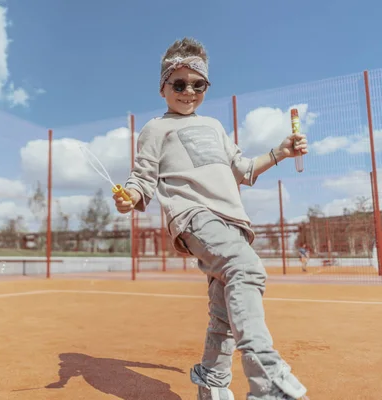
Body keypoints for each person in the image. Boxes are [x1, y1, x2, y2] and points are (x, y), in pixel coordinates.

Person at [113, 37, 310, 400]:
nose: (188, 91)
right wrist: (132, 197)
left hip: (233, 223)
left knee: (223, 313)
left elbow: (244, 169)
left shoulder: (215, 127)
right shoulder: (156, 129)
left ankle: (211, 379)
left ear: (206, 86)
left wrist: (280, 152)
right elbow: (142, 177)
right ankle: (267, 380)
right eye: (179, 84)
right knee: (246, 269)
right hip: (194, 217)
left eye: (197, 84)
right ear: (163, 87)